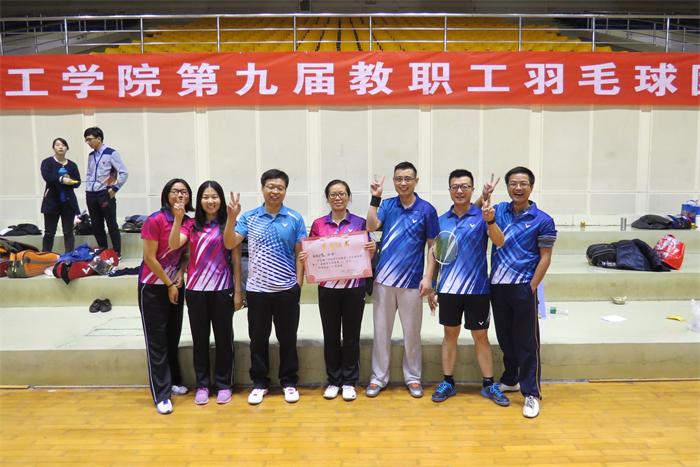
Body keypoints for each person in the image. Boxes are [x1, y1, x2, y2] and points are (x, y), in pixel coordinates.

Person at [424, 169, 509, 407]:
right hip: (449, 290)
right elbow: (435, 254)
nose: (459, 191)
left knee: (480, 336)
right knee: (449, 335)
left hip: (478, 290)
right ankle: (448, 382)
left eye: (464, 186)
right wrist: (431, 283)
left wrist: (490, 220)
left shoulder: (483, 216)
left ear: (472, 189)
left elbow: (500, 241)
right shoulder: (441, 220)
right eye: (455, 187)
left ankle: (488, 383)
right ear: (449, 190)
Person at [223, 169, 306, 405]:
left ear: (285, 190)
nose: (275, 191)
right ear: (262, 188)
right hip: (257, 291)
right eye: (271, 186)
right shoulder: (249, 218)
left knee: (288, 339)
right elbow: (229, 243)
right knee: (258, 340)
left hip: (286, 290)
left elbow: (300, 253)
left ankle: (289, 382)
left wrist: (298, 284)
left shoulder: (295, 218)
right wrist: (231, 218)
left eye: (280, 187)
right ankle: (259, 383)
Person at [487, 166, 557, 419]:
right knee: (505, 338)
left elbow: (545, 257)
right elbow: (483, 219)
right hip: (498, 285)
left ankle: (531, 393)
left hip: (524, 286)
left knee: (527, 342)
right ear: (507, 187)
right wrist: (485, 199)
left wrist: (532, 286)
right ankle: (511, 379)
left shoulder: (543, 220)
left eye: (523, 183)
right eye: (513, 184)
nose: (518, 188)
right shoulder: (498, 212)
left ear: (531, 187)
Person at [365, 161, 439, 398]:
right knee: (381, 333)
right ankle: (378, 378)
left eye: (408, 179)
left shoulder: (427, 210)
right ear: (394, 181)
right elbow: (371, 225)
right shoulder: (387, 205)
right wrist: (375, 198)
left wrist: (429, 278)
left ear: (416, 181)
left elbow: (433, 246)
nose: (403, 183)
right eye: (399, 179)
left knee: (412, 334)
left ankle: (413, 378)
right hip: (384, 281)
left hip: (413, 283)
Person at [169, 181, 243, 406]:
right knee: (199, 340)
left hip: (222, 290)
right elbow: (174, 244)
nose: (210, 201)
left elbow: (236, 260)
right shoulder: (190, 225)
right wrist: (178, 219)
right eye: (205, 197)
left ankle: (224, 384)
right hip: (196, 291)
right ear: (199, 200)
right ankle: (202, 385)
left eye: (214, 197)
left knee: (223, 339)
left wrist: (238, 291)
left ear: (221, 199)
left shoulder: (229, 224)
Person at [301, 180, 376, 402]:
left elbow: (367, 255)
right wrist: (306, 257)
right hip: (328, 290)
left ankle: (350, 381)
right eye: (333, 194)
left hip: (354, 289)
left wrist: (372, 249)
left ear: (349, 197)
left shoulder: (360, 223)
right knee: (331, 335)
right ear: (327, 198)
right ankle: (334, 381)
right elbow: (313, 253)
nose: (338, 198)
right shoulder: (318, 224)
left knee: (351, 336)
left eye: (342, 194)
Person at [138, 178, 193, 415]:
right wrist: (169, 283)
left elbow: (183, 252)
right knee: (157, 341)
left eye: (184, 192)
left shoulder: (189, 222)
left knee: (172, 336)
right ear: (166, 195)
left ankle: (173, 381)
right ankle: (161, 395)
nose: (179, 195)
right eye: (175, 191)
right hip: (152, 287)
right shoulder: (155, 220)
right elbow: (149, 258)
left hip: (174, 285)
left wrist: (179, 275)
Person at [83, 127, 128, 256]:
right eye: (86, 140)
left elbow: (124, 172)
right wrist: (87, 188)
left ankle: (116, 252)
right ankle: (103, 252)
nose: (88, 142)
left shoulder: (111, 153)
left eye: (90, 139)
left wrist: (115, 188)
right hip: (91, 194)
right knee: (96, 225)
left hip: (105, 193)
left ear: (99, 138)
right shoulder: (91, 156)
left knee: (111, 224)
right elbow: (89, 173)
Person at [40, 138, 81, 253]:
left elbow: (78, 182)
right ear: (53, 148)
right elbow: (48, 177)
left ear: (67, 148)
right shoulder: (47, 162)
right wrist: (61, 179)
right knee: (49, 232)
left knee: (68, 232)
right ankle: (46, 255)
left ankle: (69, 256)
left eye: (63, 145)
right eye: (57, 145)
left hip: (68, 202)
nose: (60, 147)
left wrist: (71, 181)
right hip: (51, 201)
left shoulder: (72, 165)